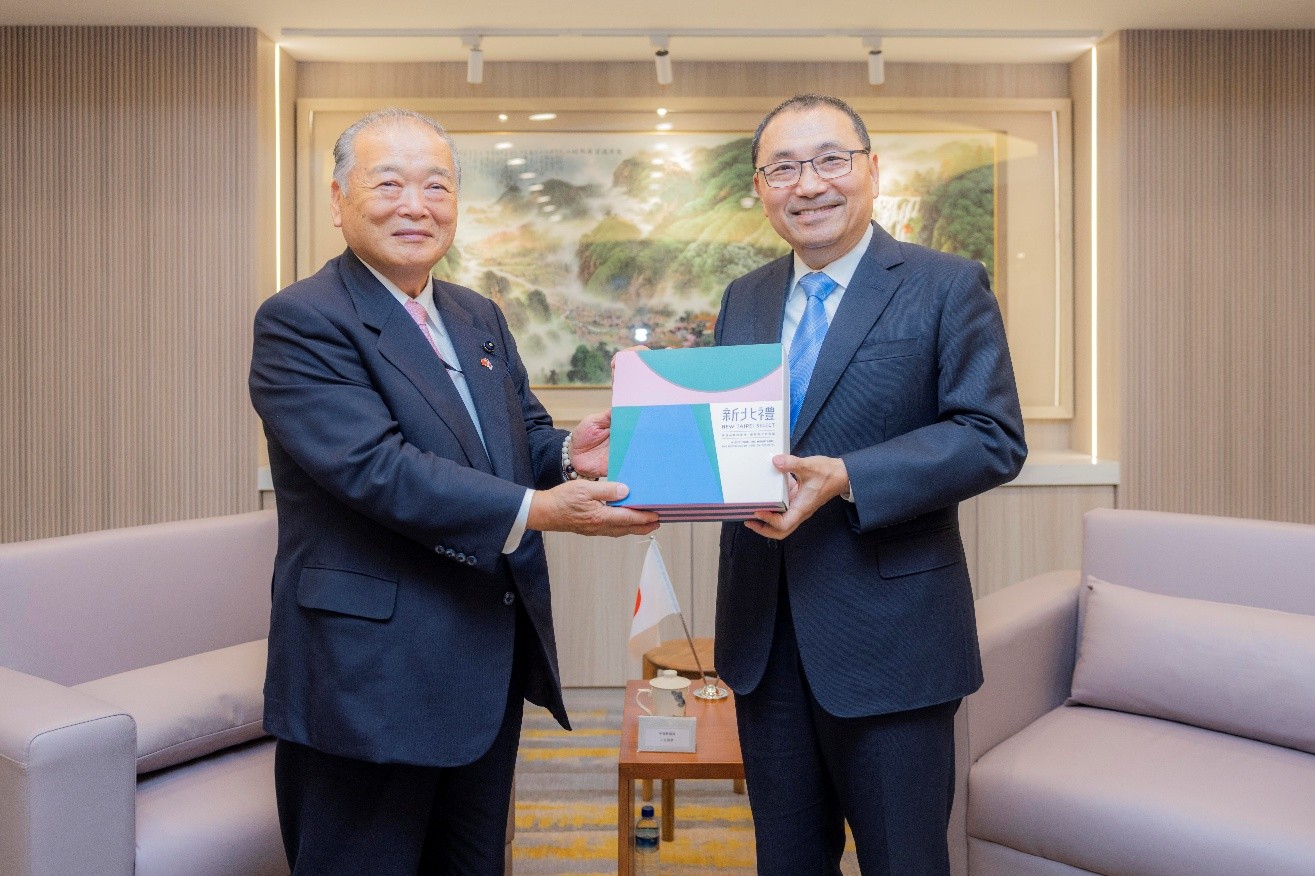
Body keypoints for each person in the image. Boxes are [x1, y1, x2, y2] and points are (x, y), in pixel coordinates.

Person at [248, 108, 658, 875]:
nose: (416, 204)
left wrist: (571, 452)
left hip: (481, 659)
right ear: (338, 200)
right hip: (367, 676)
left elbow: (517, 438)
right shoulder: (302, 320)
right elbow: (377, 468)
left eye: (436, 184)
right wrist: (537, 510)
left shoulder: (475, 315)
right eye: (389, 182)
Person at [713, 94, 1027, 875]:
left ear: (871, 170)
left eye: (829, 160)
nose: (808, 184)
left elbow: (990, 437)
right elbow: (733, 437)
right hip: (764, 636)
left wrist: (851, 476)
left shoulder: (945, 284)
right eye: (782, 167)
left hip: (893, 641)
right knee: (784, 860)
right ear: (760, 187)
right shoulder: (743, 297)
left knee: (904, 860)